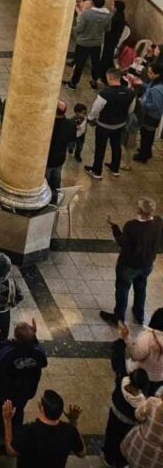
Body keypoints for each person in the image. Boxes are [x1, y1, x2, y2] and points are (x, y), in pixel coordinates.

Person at [3, 388, 85, 468]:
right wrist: (73, 422)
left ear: (42, 408)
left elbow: (11, 451)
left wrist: (7, 421)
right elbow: (82, 453)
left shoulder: (29, 430)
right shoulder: (69, 430)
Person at [99, 198, 163, 327]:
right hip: (147, 264)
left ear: (140, 210)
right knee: (141, 287)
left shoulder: (132, 226)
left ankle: (118, 318)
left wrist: (114, 227)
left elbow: (123, 242)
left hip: (128, 266)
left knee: (122, 290)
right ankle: (139, 314)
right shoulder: (158, 222)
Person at [84, 67, 138, 178]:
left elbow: (96, 109)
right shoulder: (130, 93)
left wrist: (90, 118)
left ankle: (97, 171)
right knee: (116, 146)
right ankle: (115, 168)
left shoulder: (105, 93)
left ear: (110, 77)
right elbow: (131, 110)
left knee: (100, 148)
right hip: (119, 124)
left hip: (104, 125)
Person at [67, 0, 112, 89]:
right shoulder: (108, 16)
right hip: (97, 42)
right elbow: (108, 29)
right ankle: (94, 82)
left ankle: (73, 83)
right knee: (95, 63)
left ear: (92, 3)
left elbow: (79, 28)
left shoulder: (87, 14)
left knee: (79, 63)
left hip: (83, 42)